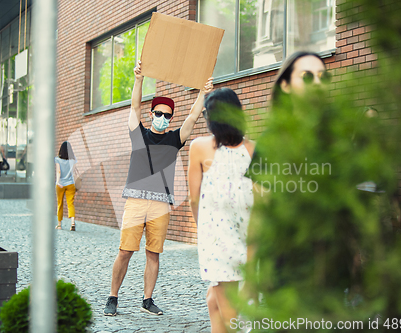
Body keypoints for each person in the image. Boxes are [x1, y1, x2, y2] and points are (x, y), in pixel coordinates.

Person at [103, 60, 213, 316]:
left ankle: (147, 299)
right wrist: (139, 79)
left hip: (161, 204)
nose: (163, 118)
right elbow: (133, 106)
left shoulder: (175, 139)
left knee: (154, 254)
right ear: (151, 113)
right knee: (125, 251)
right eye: (159, 113)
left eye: (168, 115)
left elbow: (193, 116)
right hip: (135, 201)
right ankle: (112, 297)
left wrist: (203, 94)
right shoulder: (138, 134)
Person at [188, 88, 255, 332]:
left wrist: (203, 228)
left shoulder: (200, 147)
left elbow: (193, 199)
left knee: (230, 316)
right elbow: (261, 200)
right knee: (213, 302)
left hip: (218, 240)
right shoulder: (253, 149)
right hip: (246, 238)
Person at [55, 141, 78, 231]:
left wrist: (58, 182)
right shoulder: (73, 160)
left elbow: (58, 171)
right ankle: (72, 222)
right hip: (71, 184)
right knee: (70, 203)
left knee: (60, 203)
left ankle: (59, 225)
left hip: (60, 184)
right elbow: (74, 171)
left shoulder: (57, 159)